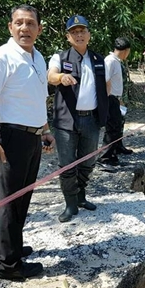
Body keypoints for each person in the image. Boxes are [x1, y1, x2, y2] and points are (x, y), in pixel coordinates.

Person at [0, 4, 55, 281]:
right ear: (11, 27)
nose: (25, 28)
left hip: (33, 136)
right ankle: (9, 266)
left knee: (22, 197)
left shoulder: (38, 57)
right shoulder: (2, 57)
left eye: (30, 23)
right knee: (10, 201)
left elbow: (38, 98)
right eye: (19, 23)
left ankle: (3, 248)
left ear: (39, 28)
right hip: (10, 137)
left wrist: (45, 129)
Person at [47, 15, 109, 223]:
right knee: (67, 164)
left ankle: (81, 196)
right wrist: (61, 78)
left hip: (91, 119)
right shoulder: (60, 58)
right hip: (66, 121)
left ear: (89, 35)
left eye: (83, 31)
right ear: (68, 37)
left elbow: (106, 87)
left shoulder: (100, 60)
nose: (79, 35)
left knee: (88, 161)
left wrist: (105, 110)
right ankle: (70, 203)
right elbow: (51, 76)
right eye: (75, 32)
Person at [100, 37, 134, 166]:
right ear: (126, 51)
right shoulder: (110, 61)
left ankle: (117, 148)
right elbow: (104, 81)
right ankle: (105, 157)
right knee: (112, 128)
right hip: (110, 98)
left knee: (118, 125)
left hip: (115, 98)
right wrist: (109, 100)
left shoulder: (116, 61)